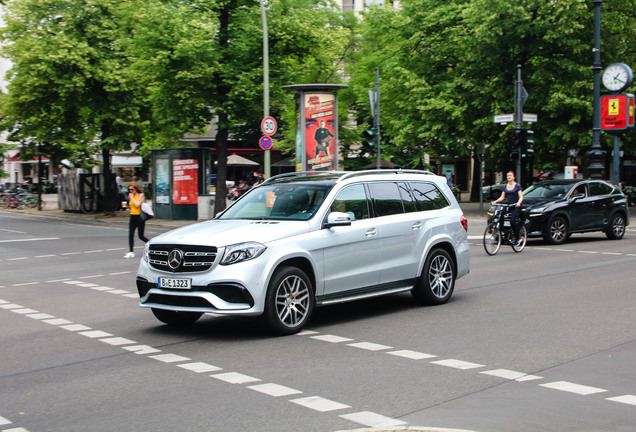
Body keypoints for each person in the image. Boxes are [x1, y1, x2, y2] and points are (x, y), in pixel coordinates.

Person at [492, 170, 524, 244]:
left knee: (512, 221)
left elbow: (521, 197)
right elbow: (502, 197)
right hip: (509, 205)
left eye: (510, 175)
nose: (508, 177)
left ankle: (517, 237)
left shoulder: (517, 186)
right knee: (500, 215)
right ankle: (503, 231)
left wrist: (518, 203)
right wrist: (495, 201)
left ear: (514, 177)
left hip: (516, 206)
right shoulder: (505, 186)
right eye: (507, 175)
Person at [123, 182, 149, 258]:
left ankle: (151, 244)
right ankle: (131, 251)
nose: (130, 191)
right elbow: (132, 207)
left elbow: (137, 205)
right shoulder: (131, 196)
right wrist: (127, 206)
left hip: (140, 217)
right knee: (131, 234)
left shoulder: (141, 195)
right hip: (132, 216)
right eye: (129, 190)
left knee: (141, 236)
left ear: (136, 188)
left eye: (132, 189)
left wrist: (131, 198)